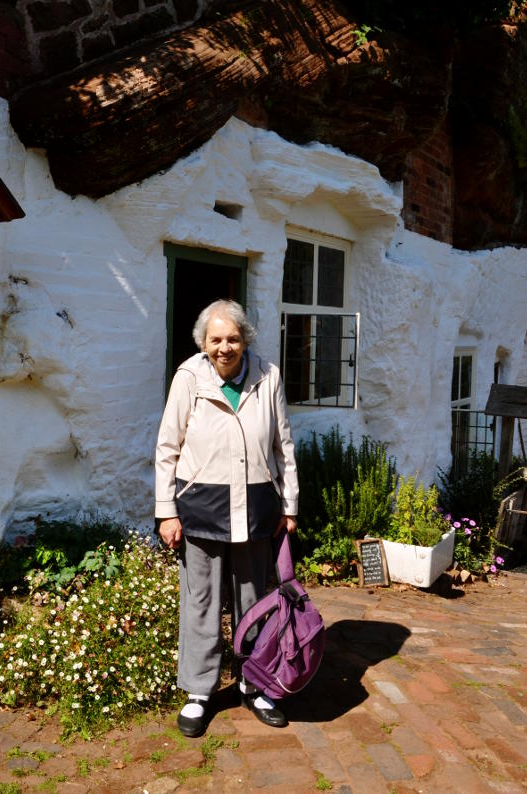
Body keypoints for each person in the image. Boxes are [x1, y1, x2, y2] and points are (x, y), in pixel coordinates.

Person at [155, 299, 299, 737]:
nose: (224, 347)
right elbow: (167, 448)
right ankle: (199, 692)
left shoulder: (268, 376)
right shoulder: (188, 378)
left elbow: (284, 446)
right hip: (200, 509)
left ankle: (253, 684)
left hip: (256, 510)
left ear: (245, 339)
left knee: (254, 603)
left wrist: (289, 504)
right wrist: (166, 512)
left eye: (232, 338)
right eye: (215, 339)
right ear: (203, 342)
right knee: (200, 602)